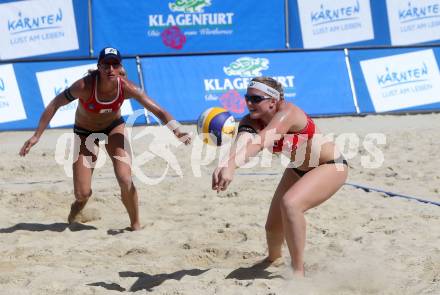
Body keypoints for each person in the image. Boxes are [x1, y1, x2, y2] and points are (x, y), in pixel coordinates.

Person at [19, 47, 191, 231]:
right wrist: (37, 135)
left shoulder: (126, 87)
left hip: (113, 128)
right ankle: (78, 206)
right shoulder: (83, 86)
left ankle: (135, 225)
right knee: (82, 193)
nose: (110, 69)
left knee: (125, 179)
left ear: (120, 67)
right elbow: (54, 104)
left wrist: (177, 130)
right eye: (106, 65)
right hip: (85, 133)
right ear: (99, 66)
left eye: (115, 64)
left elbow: (158, 110)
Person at [212, 77, 348, 277]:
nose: (249, 103)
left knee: (291, 204)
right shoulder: (251, 120)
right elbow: (243, 143)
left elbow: (261, 142)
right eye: (247, 98)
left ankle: (298, 273)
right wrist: (224, 164)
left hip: (330, 166)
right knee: (273, 227)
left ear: (272, 101)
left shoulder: (288, 114)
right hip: (299, 168)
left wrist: (231, 165)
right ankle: (273, 259)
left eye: (255, 98)